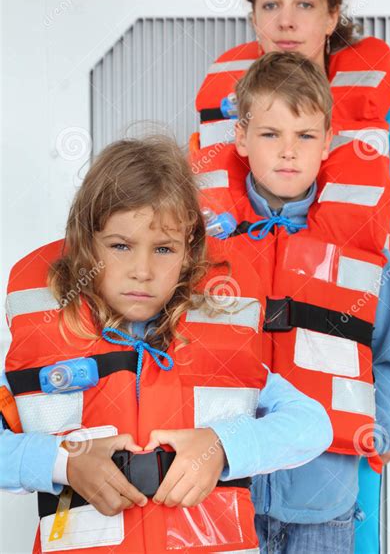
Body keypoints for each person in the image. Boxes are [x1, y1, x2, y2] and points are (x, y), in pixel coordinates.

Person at [193, 0, 390, 553]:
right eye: (270, 4)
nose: (286, 20)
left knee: (343, 521)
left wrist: (387, 393)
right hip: (241, 405)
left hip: (340, 380)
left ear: (332, 17)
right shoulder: (223, 122)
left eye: (304, 3)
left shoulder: (379, 126)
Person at [0, 135, 333, 553]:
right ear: (86, 247)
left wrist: (221, 446)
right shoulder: (47, 347)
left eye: (164, 249)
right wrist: (63, 461)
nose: (142, 270)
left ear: (189, 255)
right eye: (120, 246)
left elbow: (313, 425)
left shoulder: (220, 351)